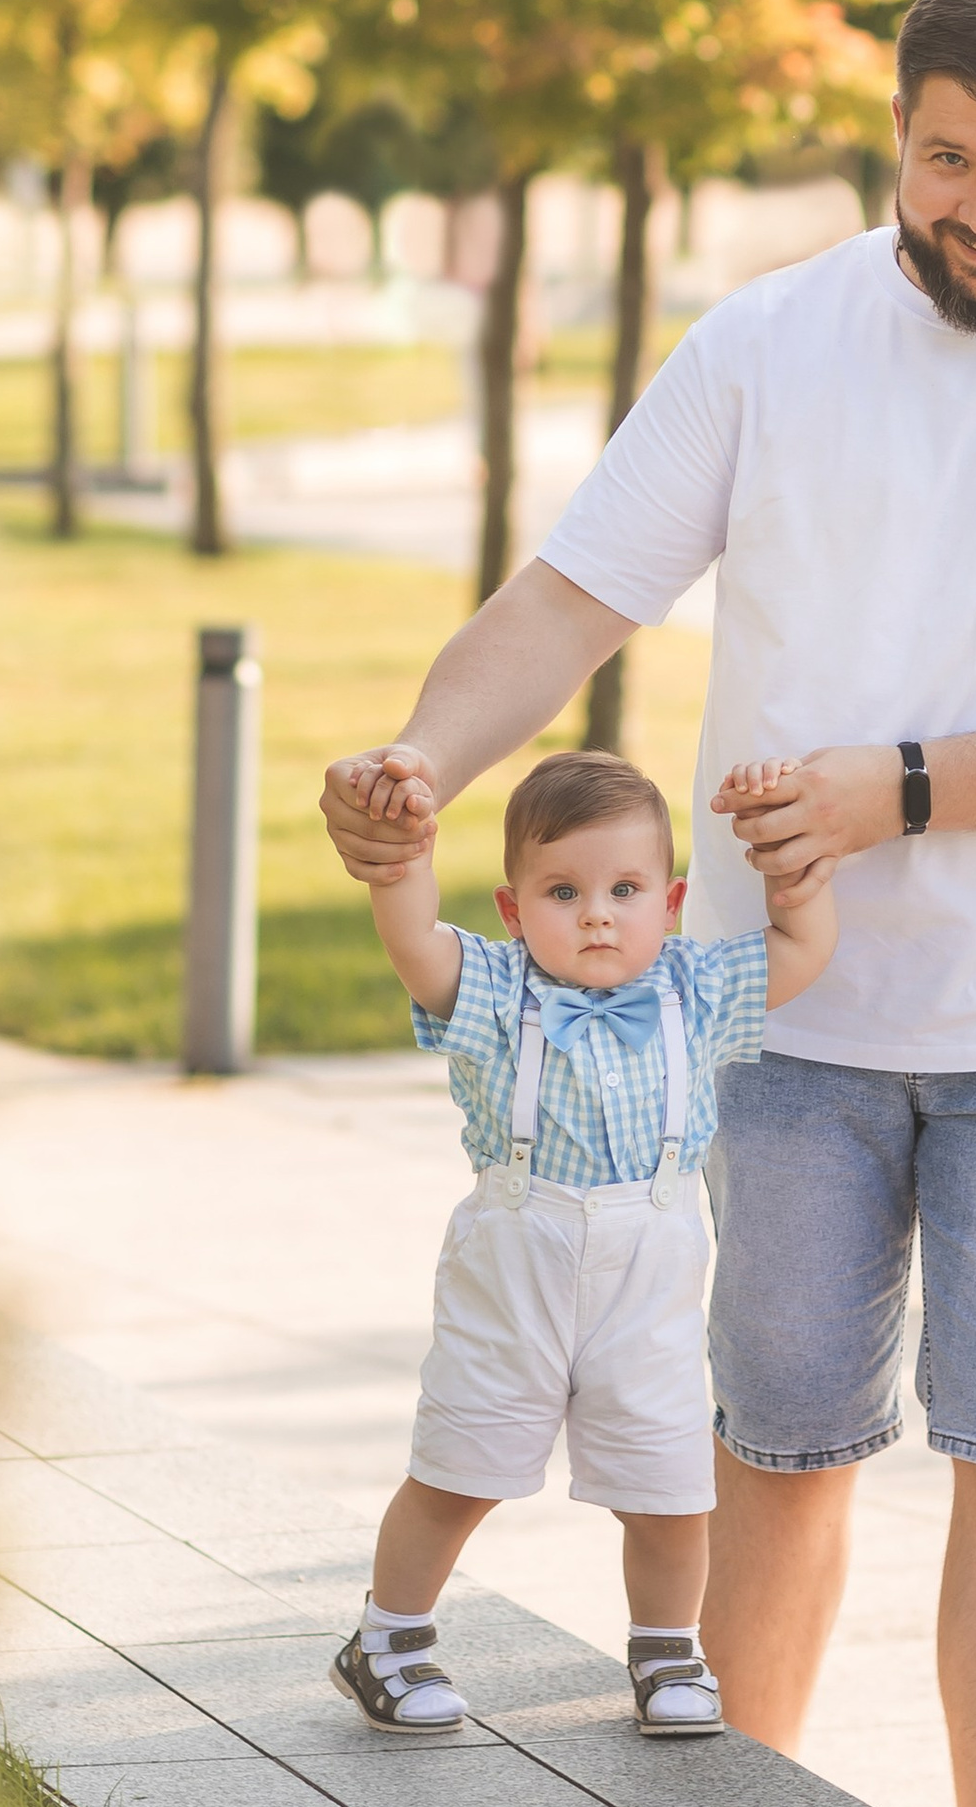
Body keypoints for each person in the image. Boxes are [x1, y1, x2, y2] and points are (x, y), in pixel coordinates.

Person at [321, 0, 976, 1807]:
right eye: (945, 160)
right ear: (893, 137)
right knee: (775, 1445)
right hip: (773, 1034)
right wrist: (420, 754)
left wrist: (891, 787)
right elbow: (567, 600)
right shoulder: (766, 345)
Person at [331, 745, 836, 1743]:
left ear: (671, 900)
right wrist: (403, 858)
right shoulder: (494, 991)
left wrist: (792, 874)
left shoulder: (697, 989)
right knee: (460, 1464)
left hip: (645, 1277)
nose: (597, 913)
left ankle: (666, 1646)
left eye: (625, 889)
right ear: (514, 910)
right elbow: (415, 942)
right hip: (519, 1263)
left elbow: (804, 950)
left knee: (669, 1487)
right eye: (562, 891)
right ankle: (387, 1638)